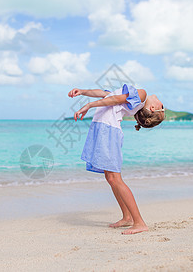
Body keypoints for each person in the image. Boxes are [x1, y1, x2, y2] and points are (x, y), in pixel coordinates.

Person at [68, 84, 165, 235]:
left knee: (115, 178)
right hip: (103, 129)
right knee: (110, 178)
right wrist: (83, 92)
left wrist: (89, 105)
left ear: (153, 108)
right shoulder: (137, 99)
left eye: (162, 106)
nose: (161, 102)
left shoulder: (143, 94)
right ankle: (127, 217)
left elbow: (113, 99)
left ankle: (139, 222)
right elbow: (106, 94)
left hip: (108, 132)